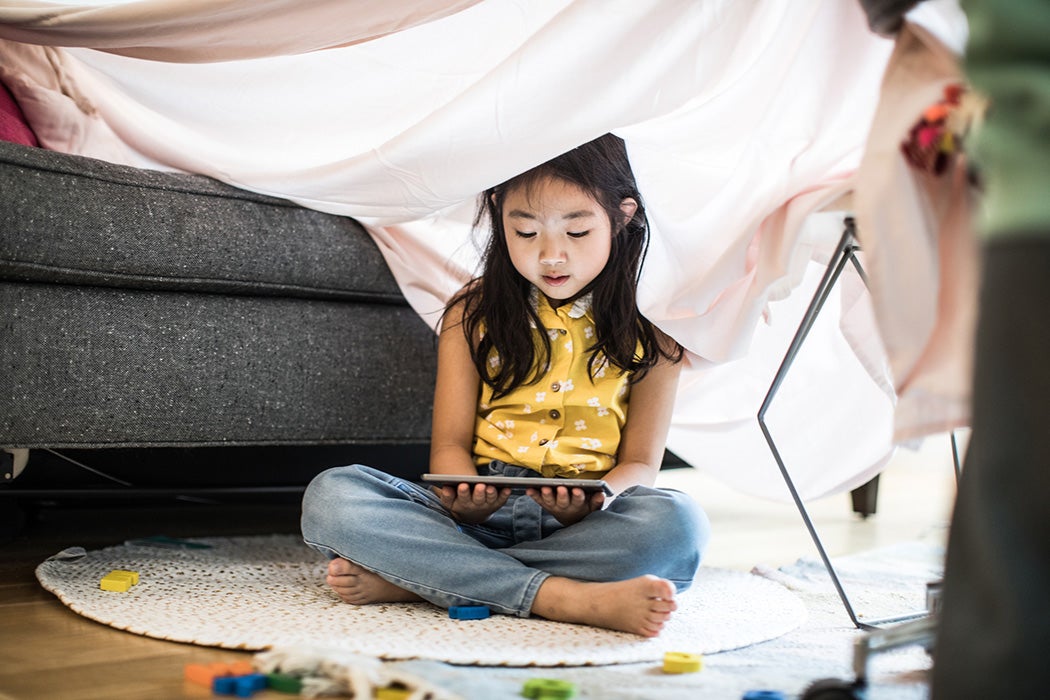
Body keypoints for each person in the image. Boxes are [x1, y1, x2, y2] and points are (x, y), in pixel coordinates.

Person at [301, 134, 710, 638]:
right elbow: (449, 446)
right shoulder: (472, 313)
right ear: (498, 213)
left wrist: (601, 498)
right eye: (525, 232)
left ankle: (424, 577)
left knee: (679, 525)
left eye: (578, 232)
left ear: (622, 217)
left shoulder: (654, 323)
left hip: (584, 520)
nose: (551, 256)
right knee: (332, 497)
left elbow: (642, 464)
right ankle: (561, 596)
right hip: (474, 514)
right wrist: (462, 496)